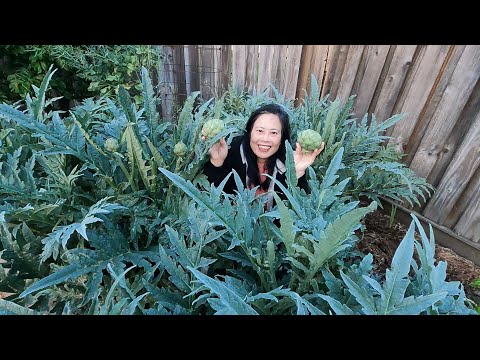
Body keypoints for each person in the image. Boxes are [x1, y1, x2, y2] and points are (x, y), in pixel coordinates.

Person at [203, 103, 325, 210]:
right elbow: (210, 198)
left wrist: (296, 174)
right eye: (260, 131)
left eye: (273, 133)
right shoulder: (231, 149)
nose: (265, 139)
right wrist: (217, 163)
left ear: (283, 137)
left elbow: (298, 210)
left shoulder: (291, 160)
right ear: (249, 131)